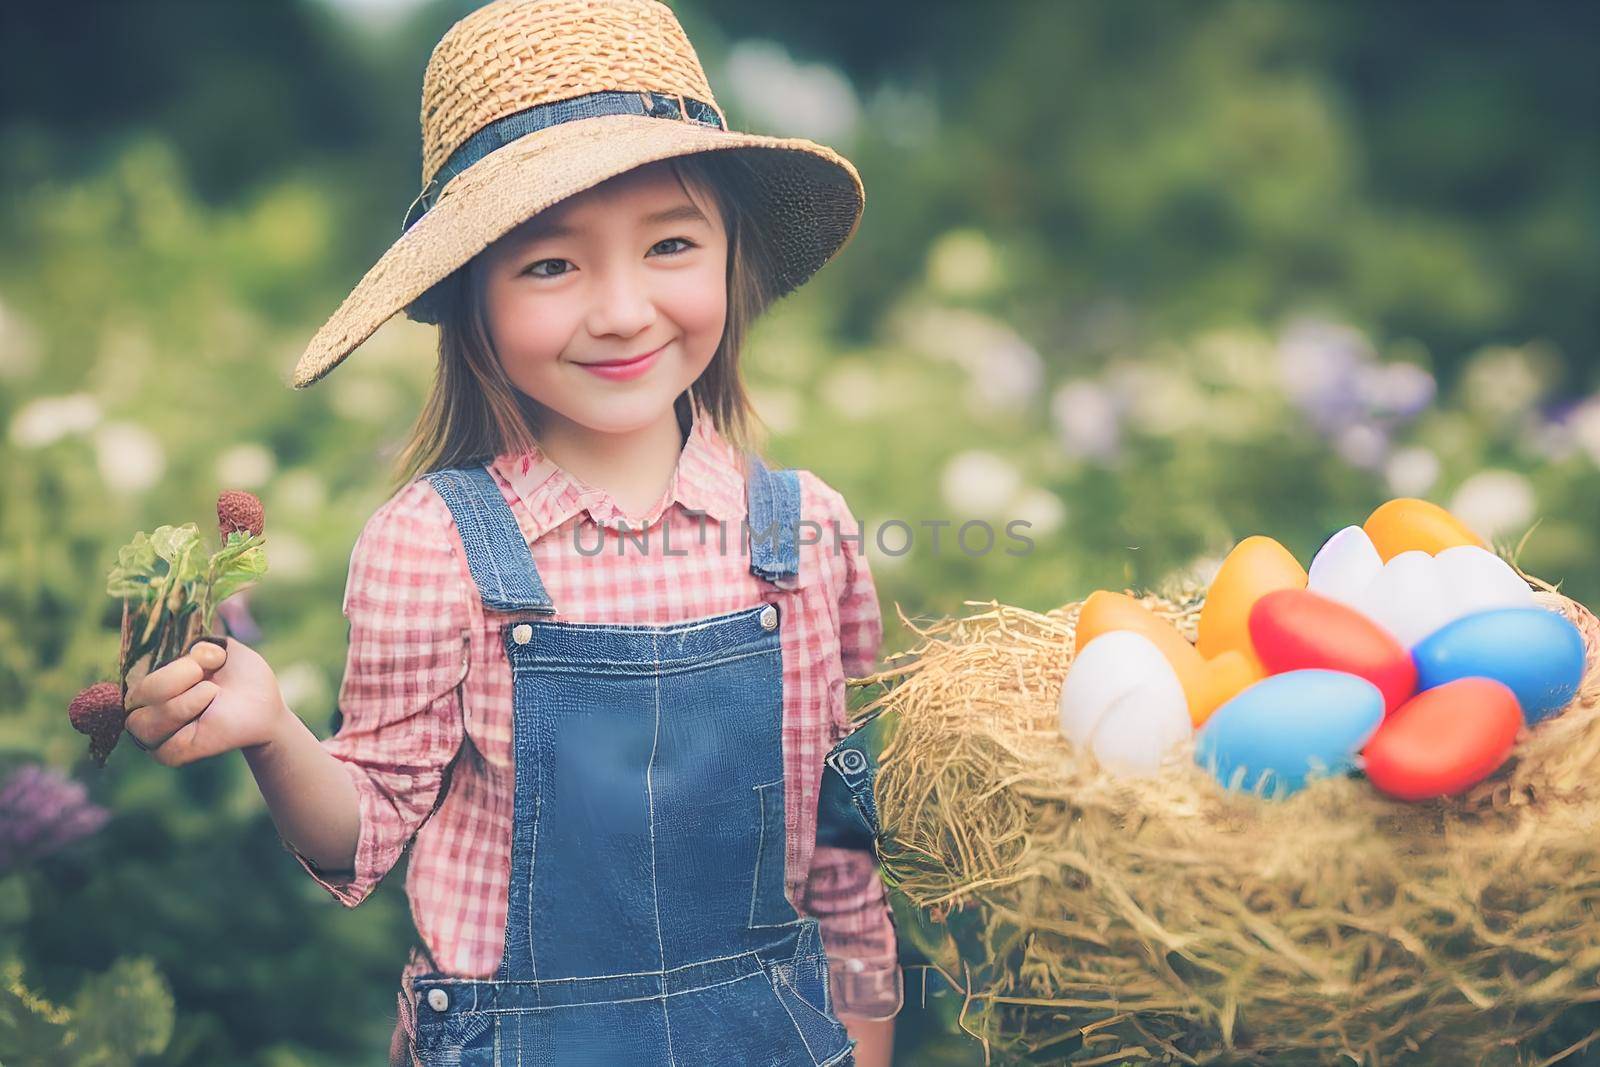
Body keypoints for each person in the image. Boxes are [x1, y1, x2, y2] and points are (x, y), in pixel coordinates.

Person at [121, 1, 901, 1063]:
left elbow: (840, 856)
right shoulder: (430, 544)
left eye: (670, 243)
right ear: (473, 297)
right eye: (550, 265)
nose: (622, 310)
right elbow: (365, 826)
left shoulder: (808, 532)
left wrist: (864, 1034)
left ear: (732, 259)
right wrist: (271, 729)